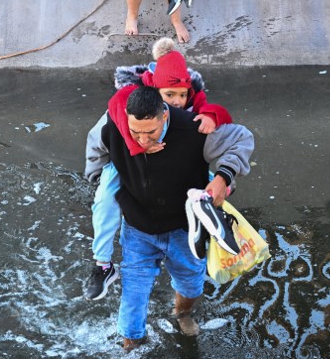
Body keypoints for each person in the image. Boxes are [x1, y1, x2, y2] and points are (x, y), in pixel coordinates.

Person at [85, 85, 254, 350]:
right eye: (135, 132)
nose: (142, 141)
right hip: (137, 228)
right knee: (133, 296)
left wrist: (224, 176)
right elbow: (95, 147)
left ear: (164, 115)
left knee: (191, 287)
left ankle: (182, 315)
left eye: (150, 132)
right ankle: (131, 352)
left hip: (184, 230)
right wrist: (98, 178)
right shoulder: (112, 125)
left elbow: (242, 139)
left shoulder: (194, 129)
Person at [83, 39, 232, 302]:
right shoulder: (131, 97)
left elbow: (217, 113)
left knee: (211, 183)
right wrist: (139, 146)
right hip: (128, 163)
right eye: (169, 95)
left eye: (182, 95)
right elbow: (107, 131)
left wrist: (212, 116)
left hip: (174, 172)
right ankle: (103, 264)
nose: (177, 102)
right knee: (105, 197)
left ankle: (211, 221)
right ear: (154, 90)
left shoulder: (190, 96)